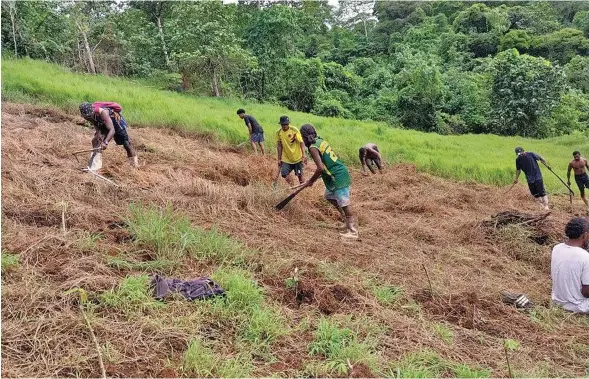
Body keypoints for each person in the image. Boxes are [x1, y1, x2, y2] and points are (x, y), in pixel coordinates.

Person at [299, 124, 358, 240]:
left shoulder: (312, 147)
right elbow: (326, 163)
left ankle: (353, 231)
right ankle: (346, 222)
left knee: (344, 203)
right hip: (335, 174)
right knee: (329, 196)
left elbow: (320, 168)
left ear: (305, 136)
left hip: (338, 175)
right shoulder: (320, 141)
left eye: (302, 136)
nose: (302, 139)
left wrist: (310, 181)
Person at [79, 102, 138, 170]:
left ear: (93, 111)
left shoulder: (103, 112)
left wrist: (105, 142)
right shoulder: (88, 115)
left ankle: (134, 166)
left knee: (126, 143)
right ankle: (95, 167)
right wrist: (98, 133)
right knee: (96, 141)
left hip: (115, 122)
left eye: (89, 116)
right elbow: (95, 122)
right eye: (87, 117)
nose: (88, 118)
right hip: (103, 123)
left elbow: (112, 130)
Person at [551, 217, 589, 314]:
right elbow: (586, 292)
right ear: (584, 235)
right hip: (578, 306)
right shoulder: (585, 257)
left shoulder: (556, 248)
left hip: (557, 302)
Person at [276, 116, 306, 185]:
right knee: (284, 174)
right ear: (280, 124)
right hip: (286, 158)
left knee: (300, 175)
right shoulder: (278, 132)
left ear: (288, 123)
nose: (285, 126)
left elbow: (301, 142)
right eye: (283, 125)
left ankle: (302, 188)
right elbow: (279, 146)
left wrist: (303, 154)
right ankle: (292, 186)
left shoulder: (294, 130)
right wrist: (279, 159)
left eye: (286, 124)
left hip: (297, 158)